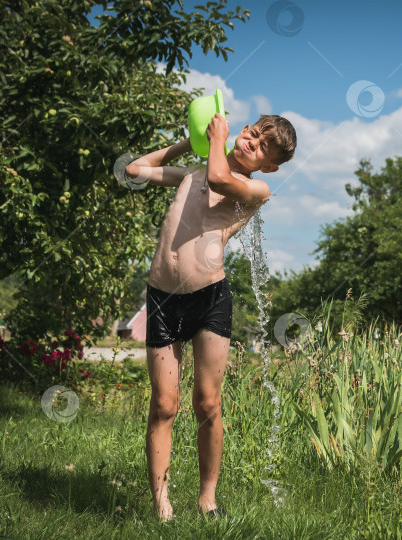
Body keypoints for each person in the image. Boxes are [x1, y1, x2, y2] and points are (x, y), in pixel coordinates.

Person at [124, 112, 296, 522]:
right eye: (251, 133)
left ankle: (207, 499)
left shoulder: (256, 187)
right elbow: (134, 170)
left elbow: (220, 180)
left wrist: (216, 140)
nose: (250, 142)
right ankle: (162, 509)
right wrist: (189, 142)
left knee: (207, 402)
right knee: (164, 404)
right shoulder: (193, 172)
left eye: (261, 146)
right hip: (163, 298)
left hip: (209, 300)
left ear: (268, 165)